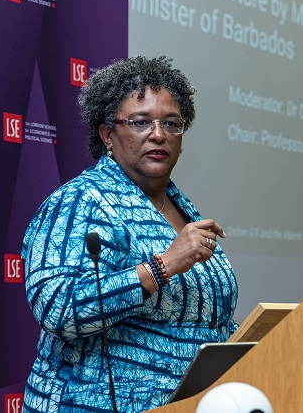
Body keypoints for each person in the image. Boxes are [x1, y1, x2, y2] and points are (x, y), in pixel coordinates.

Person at [21, 56, 238, 412]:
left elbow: (203, 322)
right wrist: (162, 266)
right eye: (140, 122)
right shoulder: (80, 202)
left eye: (171, 123)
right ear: (108, 135)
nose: (158, 134)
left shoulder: (181, 207)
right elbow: (57, 307)